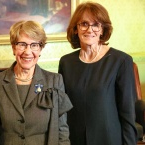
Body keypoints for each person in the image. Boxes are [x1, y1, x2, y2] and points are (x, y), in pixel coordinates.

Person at [58, 2, 137, 145]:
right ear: (76, 29)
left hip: (109, 139)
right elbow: (62, 108)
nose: (90, 29)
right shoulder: (66, 62)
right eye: (84, 24)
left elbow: (128, 113)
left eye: (96, 24)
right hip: (74, 139)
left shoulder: (121, 61)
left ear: (102, 30)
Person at [0, 20, 73, 145]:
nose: (27, 51)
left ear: (40, 49)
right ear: (13, 47)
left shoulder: (54, 81)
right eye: (22, 44)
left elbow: (62, 131)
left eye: (34, 45)